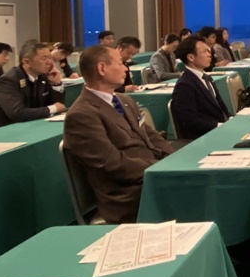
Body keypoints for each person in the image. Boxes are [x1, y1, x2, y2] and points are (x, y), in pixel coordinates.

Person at [62, 45, 175, 223]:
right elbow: (113, 164)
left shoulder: (125, 100)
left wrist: (171, 158)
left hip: (151, 175)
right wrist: (157, 167)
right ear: (102, 68)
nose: (125, 69)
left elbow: (151, 136)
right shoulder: (81, 115)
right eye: (121, 63)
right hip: (128, 194)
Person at [0, 40, 66, 132]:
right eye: (44, 58)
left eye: (50, 57)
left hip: (28, 127)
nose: (49, 62)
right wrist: (52, 108)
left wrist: (56, 84)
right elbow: (17, 113)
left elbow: (59, 105)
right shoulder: (8, 80)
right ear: (27, 62)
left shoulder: (42, 77)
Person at [170, 36, 231, 140]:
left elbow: (220, 107)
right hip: (205, 137)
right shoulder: (184, 85)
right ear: (191, 57)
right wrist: (218, 125)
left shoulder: (207, 78)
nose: (209, 54)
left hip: (221, 130)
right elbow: (189, 120)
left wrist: (231, 119)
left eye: (209, 51)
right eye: (205, 52)